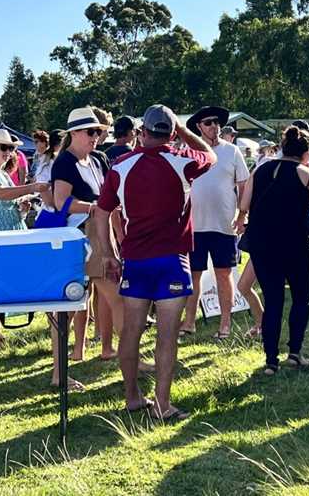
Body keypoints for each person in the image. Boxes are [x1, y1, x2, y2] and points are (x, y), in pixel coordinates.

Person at [95, 104, 216, 420]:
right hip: (172, 260)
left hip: (136, 260)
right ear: (171, 132)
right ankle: (162, 405)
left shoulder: (120, 166)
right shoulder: (182, 161)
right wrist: (185, 130)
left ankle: (133, 397)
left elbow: (102, 212)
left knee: (131, 332)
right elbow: (211, 155)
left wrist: (108, 251)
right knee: (167, 336)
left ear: (142, 132)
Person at [235, 126, 309, 375]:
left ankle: (270, 360)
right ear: (307, 153)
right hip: (295, 243)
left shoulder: (261, 169)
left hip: (264, 243)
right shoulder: (307, 174)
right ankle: (295, 352)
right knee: (301, 298)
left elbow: (244, 204)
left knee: (273, 299)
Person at [48, 107, 123, 385]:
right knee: (69, 307)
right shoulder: (64, 163)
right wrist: (95, 208)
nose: (97, 136)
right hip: (79, 237)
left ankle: (127, 357)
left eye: (99, 131)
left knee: (108, 299)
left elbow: (110, 201)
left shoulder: (98, 160)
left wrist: (118, 232)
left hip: (99, 234)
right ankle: (60, 373)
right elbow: (61, 203)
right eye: (91, 131)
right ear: (75, 133)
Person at [0, 129, 48, 350]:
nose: (9, 152)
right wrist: (32, 187)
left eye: (11, 148)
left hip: (4, 232)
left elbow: (5, 199)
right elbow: (0, 194)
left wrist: (21, 207)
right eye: (4, 147)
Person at [180, 106, 249, 340]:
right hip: (194, 226)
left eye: (217, 122)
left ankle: (226, 324)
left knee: (224, 274)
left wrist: (242, 215)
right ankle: (189, 323)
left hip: (224, 225)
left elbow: (243, 185)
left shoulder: (232, 152)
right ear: (199, 127)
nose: (214, 126)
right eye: (208, 123)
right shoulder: (188, 152)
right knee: (194, 275)